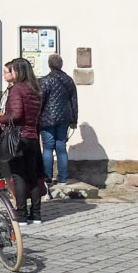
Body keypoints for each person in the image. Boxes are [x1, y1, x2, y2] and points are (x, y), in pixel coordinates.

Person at [0, 57, 44, 225]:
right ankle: (36, 214)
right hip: (32, 136)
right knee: (33, 176)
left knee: (19, 176)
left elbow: (16, 115)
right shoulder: (35, 88)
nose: (12, 72)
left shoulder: (17, 89)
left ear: (19, 72)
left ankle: (22, 215)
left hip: (19, 137)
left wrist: (1, 120)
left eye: (13, 70)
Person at [39, 53, 78, 185]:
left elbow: (40, 101)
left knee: (48, 148)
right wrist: (74, 120)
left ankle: (48, 177)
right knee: (61, 147)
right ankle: (63, 177)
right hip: (64, 118)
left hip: (47, 119)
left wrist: (36, 118)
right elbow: (74, 101)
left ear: (49, 65)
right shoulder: (69, 80)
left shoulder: (45, 81)